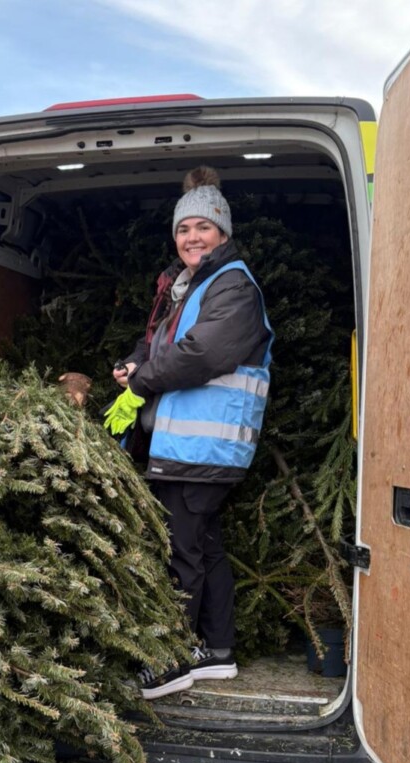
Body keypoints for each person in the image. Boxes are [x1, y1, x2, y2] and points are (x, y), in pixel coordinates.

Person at [105, 167, 274, 701]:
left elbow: (203, 353)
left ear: (222, 232)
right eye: (184, 230)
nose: (192, 237)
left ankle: (173, 660)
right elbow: (159, 343)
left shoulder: (233, 285)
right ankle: (217, 652)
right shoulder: (189, 287)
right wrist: (132, 365)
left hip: (203, 447)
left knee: (181, 553)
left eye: (203, 227)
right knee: (205, 547)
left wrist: (142, 384)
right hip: (190, 449)